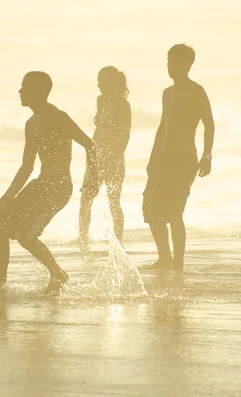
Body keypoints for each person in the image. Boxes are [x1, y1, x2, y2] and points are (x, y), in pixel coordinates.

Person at [0, 71, 99, 293]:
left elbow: (89, 144)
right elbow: (27, 167)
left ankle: (58, 274)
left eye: (24, 87)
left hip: (58, 188)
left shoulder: (58, 117)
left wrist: (92, 179)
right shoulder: (31, 124)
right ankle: (0, 285)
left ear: (37, 92)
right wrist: (6, 199)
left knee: (25, 235)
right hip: (40, 184)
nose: (19, 91)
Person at [142, 44, 215, 271]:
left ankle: (179, 264)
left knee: (174, 212)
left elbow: (209, 123)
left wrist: (207, 156)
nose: (169, 66)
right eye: (167, 61)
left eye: (173, 62)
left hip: (184, 160)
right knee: (151, 210)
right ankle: (165, 258)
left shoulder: (196, 91)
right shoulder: (167, 93)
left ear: (186, 65)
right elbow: (162, 127)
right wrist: (152, 159)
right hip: (163, 160)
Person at [78, 66, 131, 250]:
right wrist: (91, 155)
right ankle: (83, 240)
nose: (98, 85)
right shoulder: (100, 100)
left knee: (113, 200)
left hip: (114, 156)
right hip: (97, 153)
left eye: (102, 81)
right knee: (86, 197)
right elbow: (99, 129)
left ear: (113, 82)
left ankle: (118, 242)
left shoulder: (123, 104)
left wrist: (114, 159)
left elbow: (125, 135)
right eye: (98, 80)